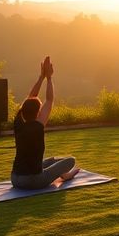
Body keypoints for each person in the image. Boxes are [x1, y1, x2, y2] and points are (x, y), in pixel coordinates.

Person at [10, 56, 79, 190]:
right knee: (71, 161)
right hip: (33, 181)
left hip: (15, 178)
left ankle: (64, 174)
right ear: (37, 113)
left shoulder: (18, 122)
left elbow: (30, 99)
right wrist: (49, 77)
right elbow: (49, 99)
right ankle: (67, 175)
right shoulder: (37, 126)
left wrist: (41, 77)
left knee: (51, 161)